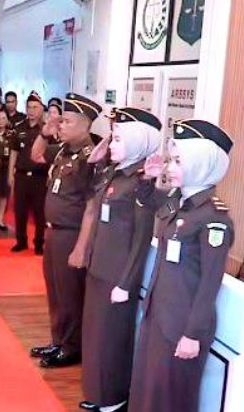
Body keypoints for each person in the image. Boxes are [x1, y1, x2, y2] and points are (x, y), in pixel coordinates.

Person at [128, 120, 234, 412]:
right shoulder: (180, 202)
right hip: (160, 315)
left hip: (182, 324)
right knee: (149, 389)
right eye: (170, 160)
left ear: (201, 164)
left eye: (178, 161)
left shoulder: (213, 218)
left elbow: (210, 284)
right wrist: (148, 178)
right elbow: (148, 201)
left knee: (171, 397)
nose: (169, 167)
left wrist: (193, 334)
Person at [79, 108, 162, 412]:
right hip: (98, 267)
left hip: (117, 275)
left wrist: (127, 283)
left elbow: (140, 240)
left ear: (138, 141)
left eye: (117, 139)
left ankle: (113, 398)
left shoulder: (140, 183)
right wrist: (102, 152)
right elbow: (87, 182)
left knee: (111, 339)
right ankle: (96, 391)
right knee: (94, 335)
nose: (111, 144)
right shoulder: (112, 172)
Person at [28, 92, 101, 368]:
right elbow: (36, 155)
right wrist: (45, 133)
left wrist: (81, 248)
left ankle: (71, 348)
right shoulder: (63, 150)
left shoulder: (89, 158)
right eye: (62, 121)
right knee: (55, 291)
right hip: (54, 232)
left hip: (71, 233)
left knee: (70, 294)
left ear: (84, 126)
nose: (61, 125)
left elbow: (92, 206)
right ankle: (58, 340)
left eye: (67, 122)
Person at [8, 91, 49, 255]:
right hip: (21, 175)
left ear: (42, 109)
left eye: (35, 107)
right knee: (20, 210)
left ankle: (39, 243)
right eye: (29, 107)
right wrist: (10, 173)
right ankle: (21, 241)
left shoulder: (46, 129)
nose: (31, 110)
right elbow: (14, 152)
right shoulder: (19, 128)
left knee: (40, 213)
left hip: (40, 177)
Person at [0, 109, 12, 230]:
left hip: (6, 167)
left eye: (3, 118)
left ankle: (0, 220)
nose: (1, 121)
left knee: (4, 195)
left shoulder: (11, 135)